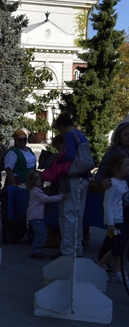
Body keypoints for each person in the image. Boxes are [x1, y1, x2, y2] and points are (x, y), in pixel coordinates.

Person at [51, 113, 91, 259]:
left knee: (67, 213)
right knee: (78, 214)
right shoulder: (80, 135)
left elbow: (69, 155)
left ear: (62, 127)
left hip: (74, 177)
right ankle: (76, 247)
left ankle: (67, 250)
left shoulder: (69, 135)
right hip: (83, 177)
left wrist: (56, 160)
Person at [97, 154, 129, 282]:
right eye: (126, 165)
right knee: (120, 246)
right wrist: (110, 222)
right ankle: (101, 264)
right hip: (115, 220)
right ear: (117, 168)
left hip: (124, 219)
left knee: (120, 245)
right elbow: (107, 204)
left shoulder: (124, 182)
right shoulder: (112, 183)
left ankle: (116, 272)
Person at [26, 170, 66, 259]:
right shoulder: (36, 192)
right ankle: (36, 250)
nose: (42, 181)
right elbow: (47, 199)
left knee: (39, 233)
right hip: (36, 216)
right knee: (41, 233)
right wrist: (60, 196)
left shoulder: (35, 191)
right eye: (40, 180)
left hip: (35, 216)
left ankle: (36, 249)